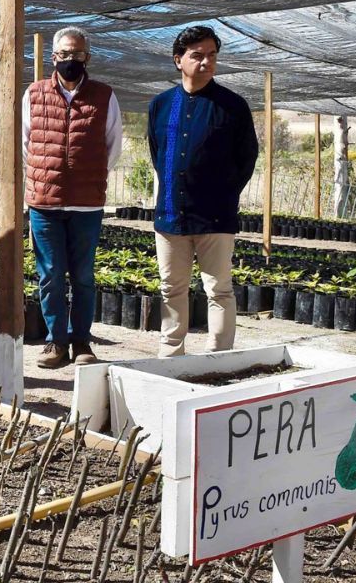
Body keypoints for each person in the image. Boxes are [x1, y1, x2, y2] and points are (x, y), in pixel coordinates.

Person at [147, 25, 258, 357]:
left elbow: (246, 158)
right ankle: (170, 354)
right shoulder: (161, 105)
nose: (206, 62)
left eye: (212, 56)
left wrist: (222, 194)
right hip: (170, 213)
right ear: (179, 60)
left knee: (219, 290)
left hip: (216, 216)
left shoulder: (232, 106)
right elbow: (157, 153)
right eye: (197, 55)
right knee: (171, 289)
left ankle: (219, 357)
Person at [23, 26, 121, 370]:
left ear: (87, 58)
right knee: (50, 274)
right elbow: (26, 143)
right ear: (54, 57)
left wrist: (86, 176)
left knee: (82, 275)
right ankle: (55, 342)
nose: (70, 60)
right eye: (64, 54)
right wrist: (44, 178)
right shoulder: (34, 94)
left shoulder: (104, 96)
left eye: (76, 54)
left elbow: (113, 147)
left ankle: (81, 340)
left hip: (86, 205)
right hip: (44, 204)